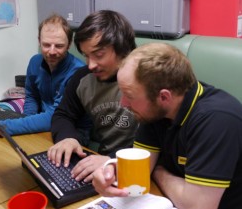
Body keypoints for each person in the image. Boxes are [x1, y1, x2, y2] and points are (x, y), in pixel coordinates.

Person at [92, 42, 242, 209]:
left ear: (164, 97)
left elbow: (198, 206)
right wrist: (109, 171)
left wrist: (159, 171)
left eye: (129, 95)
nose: (123, 103)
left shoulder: (217, 120)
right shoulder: (155, 111)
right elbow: (142, 167)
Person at [47, 10, 139, 183]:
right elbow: (63, 114)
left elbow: (163, 139)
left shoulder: (149, 78)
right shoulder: (82, 79)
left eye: (98, 55)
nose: (91, 65)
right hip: (101, 165)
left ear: (123, 49)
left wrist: (113, 160)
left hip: (142, 166)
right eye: (86, 56)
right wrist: (67, 137)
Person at [0, 14, 85, 142]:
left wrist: (3, 127)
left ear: (69, 44)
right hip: (43, 126)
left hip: (71, 133)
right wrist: (25, 122)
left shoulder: (78, 72)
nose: (51, 51)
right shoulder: (35, 62)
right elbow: (32, 96)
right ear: (39, 41)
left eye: (59, 46)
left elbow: (56, 116)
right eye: (46, 45)